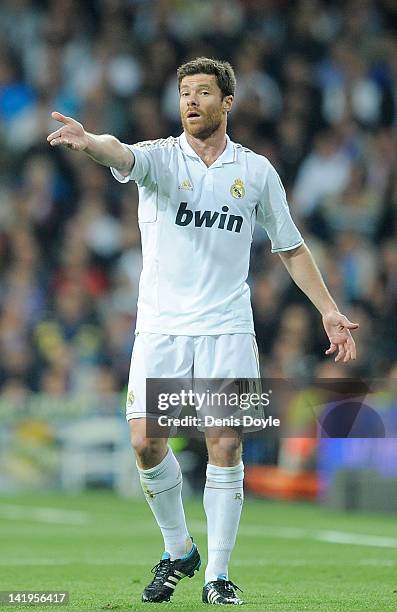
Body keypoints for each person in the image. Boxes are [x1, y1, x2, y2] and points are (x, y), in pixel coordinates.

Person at [47, 57, 358, 606]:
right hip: (162, 326)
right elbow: (122, 152)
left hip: (227, 327)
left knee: (225, 440)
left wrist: (328, 310)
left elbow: (290, 246)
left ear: (226, 102)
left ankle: (216, 575)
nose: (191, 101)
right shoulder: (162, 160)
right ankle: (178, 548)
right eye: (184, 92)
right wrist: (91, 140)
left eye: (202, 92)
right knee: (146, 443)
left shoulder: (257, 171)